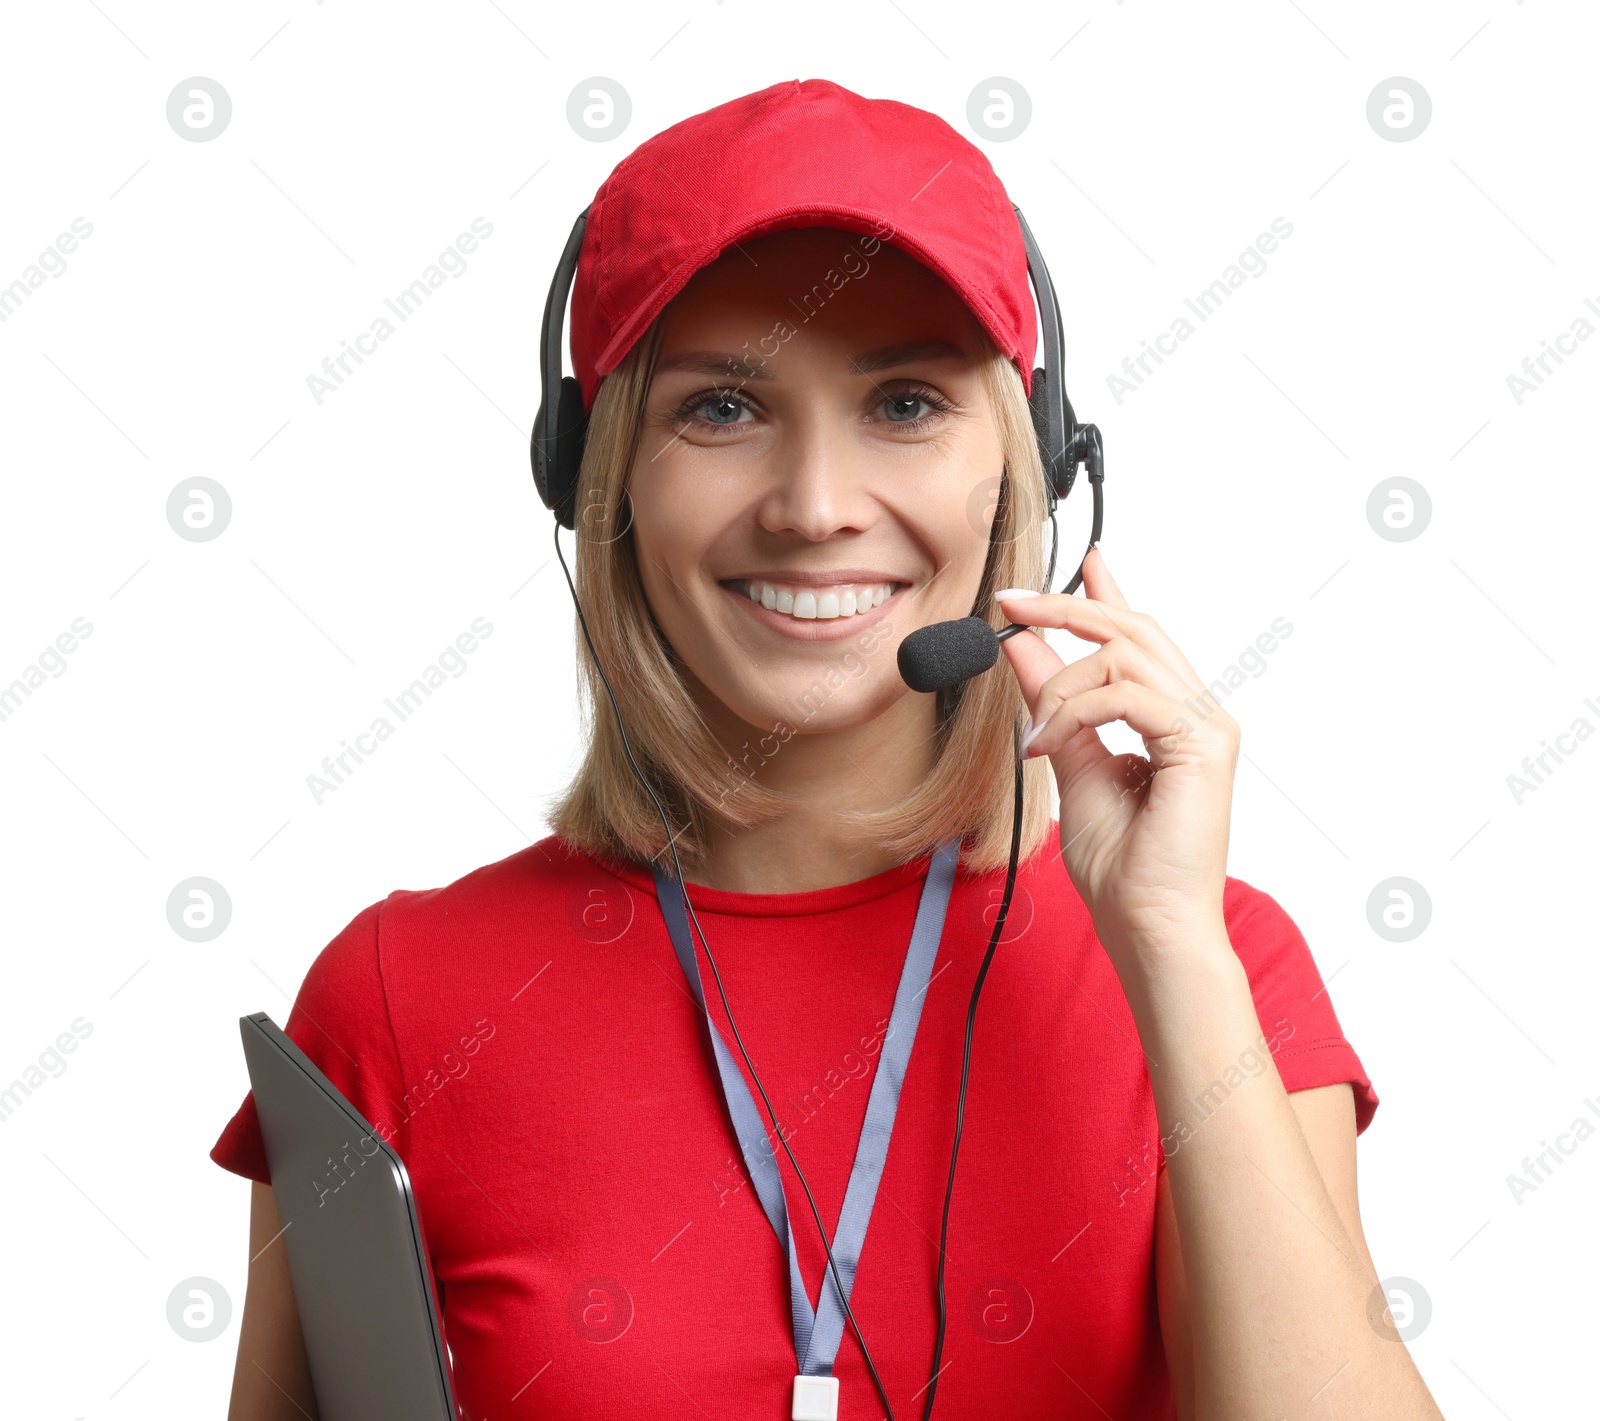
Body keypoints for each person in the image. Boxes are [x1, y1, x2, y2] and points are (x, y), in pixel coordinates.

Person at [213, 79, 1443, 1421]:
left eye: (906, 402)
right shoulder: (400, 1002)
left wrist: (1170, 949)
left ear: (1027, 465)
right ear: (597, 472)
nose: (812, 507)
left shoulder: (1214, 961)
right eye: (722, 409)